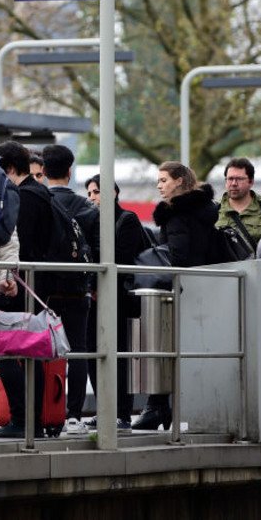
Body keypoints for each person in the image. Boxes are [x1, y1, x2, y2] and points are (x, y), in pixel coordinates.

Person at [134, 161, 219, 430]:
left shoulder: (177, 214)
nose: (159, 186)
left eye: (163, 180)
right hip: (205, 287)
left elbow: (178, 256)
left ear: (180, 181)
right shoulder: (205, 210)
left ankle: (156, 407)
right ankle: (161, 407)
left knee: (161, 345)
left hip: (178, 290)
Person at [0, 140, 50, 439]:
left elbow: (13, 242)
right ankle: (30, 421)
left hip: (21, 286)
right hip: (34, 285)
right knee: (28, 354)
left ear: (9, 169)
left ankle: (24, 421)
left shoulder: (22, 197)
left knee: (8, 350)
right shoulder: (40, 193)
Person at [84, 174, 150, 431]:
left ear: (112, 192)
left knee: (119, 354)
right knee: (93, 352)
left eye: (96, 191)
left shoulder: (127, 219)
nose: (92, 197)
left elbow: (122, 257)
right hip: (95, 296)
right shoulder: (91, 220)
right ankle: (104, 409)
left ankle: (121, 411)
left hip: (120, 298)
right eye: (89, 193)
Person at [42, 144, 98, 436]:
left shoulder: (39, 202)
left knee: (41, 349)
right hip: (77, 289)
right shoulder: (87, 207)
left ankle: (44, 411)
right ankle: (73, 414)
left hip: (44, 290)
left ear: (45, 170)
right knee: (78, 350)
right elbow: (98, 248)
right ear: (69, 171)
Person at [215, 157, 261, 251]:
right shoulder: (215, 209)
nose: (233, 183)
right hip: (224, 265)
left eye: (239, 179)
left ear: (251, 182)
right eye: (230, 179)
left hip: (256, 265)